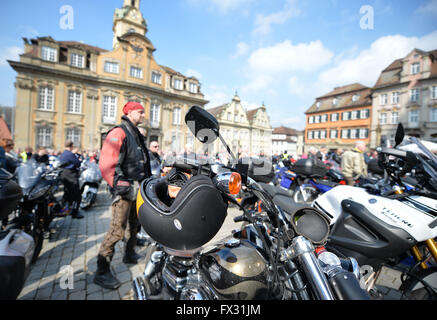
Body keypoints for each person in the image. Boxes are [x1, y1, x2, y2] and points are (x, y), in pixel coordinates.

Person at [94, 101, 152, 290]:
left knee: (135, 225)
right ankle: (101, 271)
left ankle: (129, 254)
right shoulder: (118, 132)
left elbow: (142, 161)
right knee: (116, 231)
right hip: (125, 190)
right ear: (129, 112)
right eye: (140, 112)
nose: (143, 115)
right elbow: (106, 164)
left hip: (138, 189)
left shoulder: (135, 133)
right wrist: (121, 186)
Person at [59, 141, 84, 219]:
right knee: (77, 195)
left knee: (67, 193)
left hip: (64, 174)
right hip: (71, 174)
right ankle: (75, 213)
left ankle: (63, 210)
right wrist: (79, 160)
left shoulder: (63, 153)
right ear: (71, 146)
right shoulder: (70, 154)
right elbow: (78, 163)